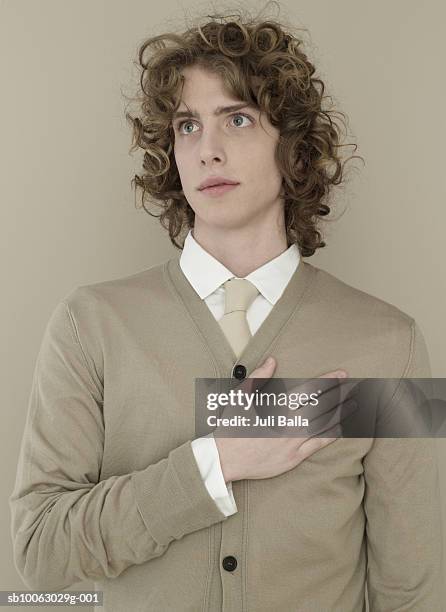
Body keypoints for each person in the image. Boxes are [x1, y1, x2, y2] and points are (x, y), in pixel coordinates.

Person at [9, 8, 443, 611]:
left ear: (292, 148)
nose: (208, 149)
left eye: (236, 119)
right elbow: (38, 554)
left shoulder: (392, 344)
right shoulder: (89, 326)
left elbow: (411, 590)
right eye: (188, 126)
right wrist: (212, 463)